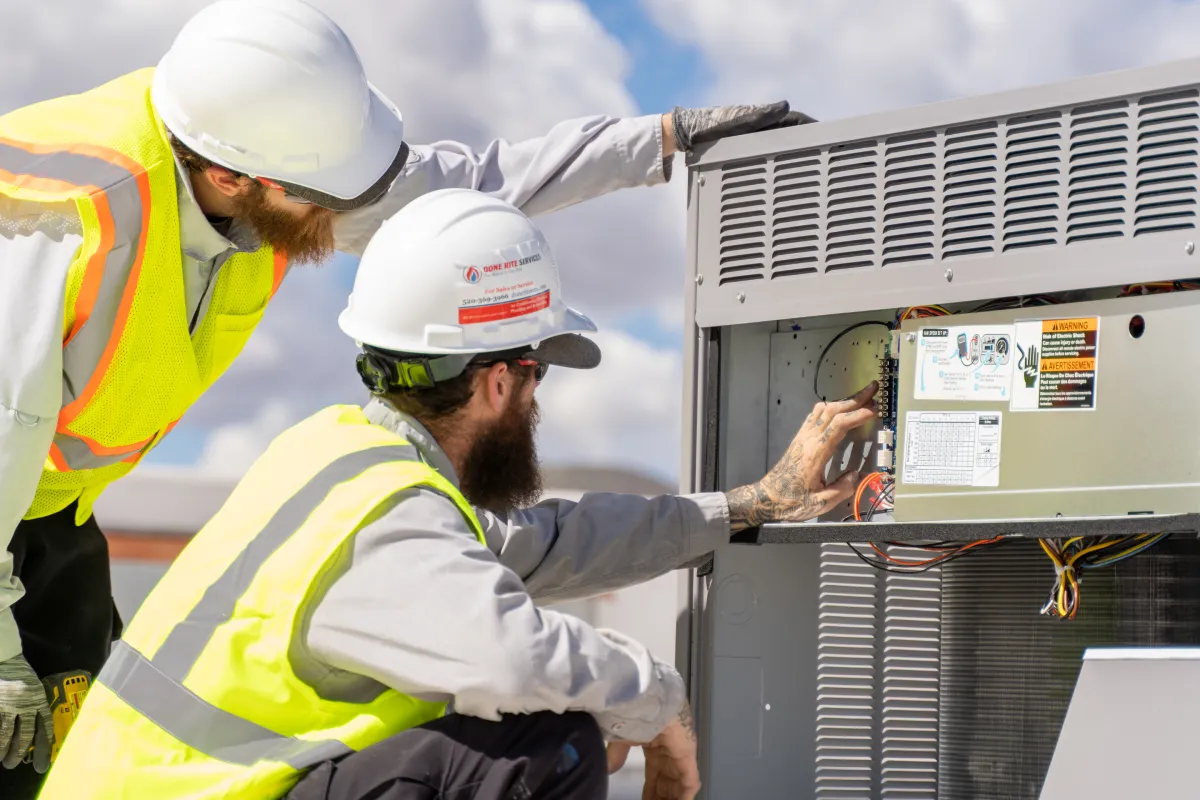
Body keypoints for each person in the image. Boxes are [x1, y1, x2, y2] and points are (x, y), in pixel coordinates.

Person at [0, 0, 815, 789]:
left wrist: (662, 141)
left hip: (54, 517)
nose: (348, 216)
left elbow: (478, 183)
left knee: (50, 750)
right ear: (227, 176)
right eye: (325, 197)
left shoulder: (282, 175)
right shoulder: (62, 222)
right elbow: (8, 425)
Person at [39, 188, 878, 800]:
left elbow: (551, 541)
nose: (539, 396)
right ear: (497, 385)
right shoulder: (396, 525)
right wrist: (658, 700)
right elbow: (518, 656)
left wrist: (748, 505)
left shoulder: (336, 454)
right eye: (536, 373)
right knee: (549, 746)